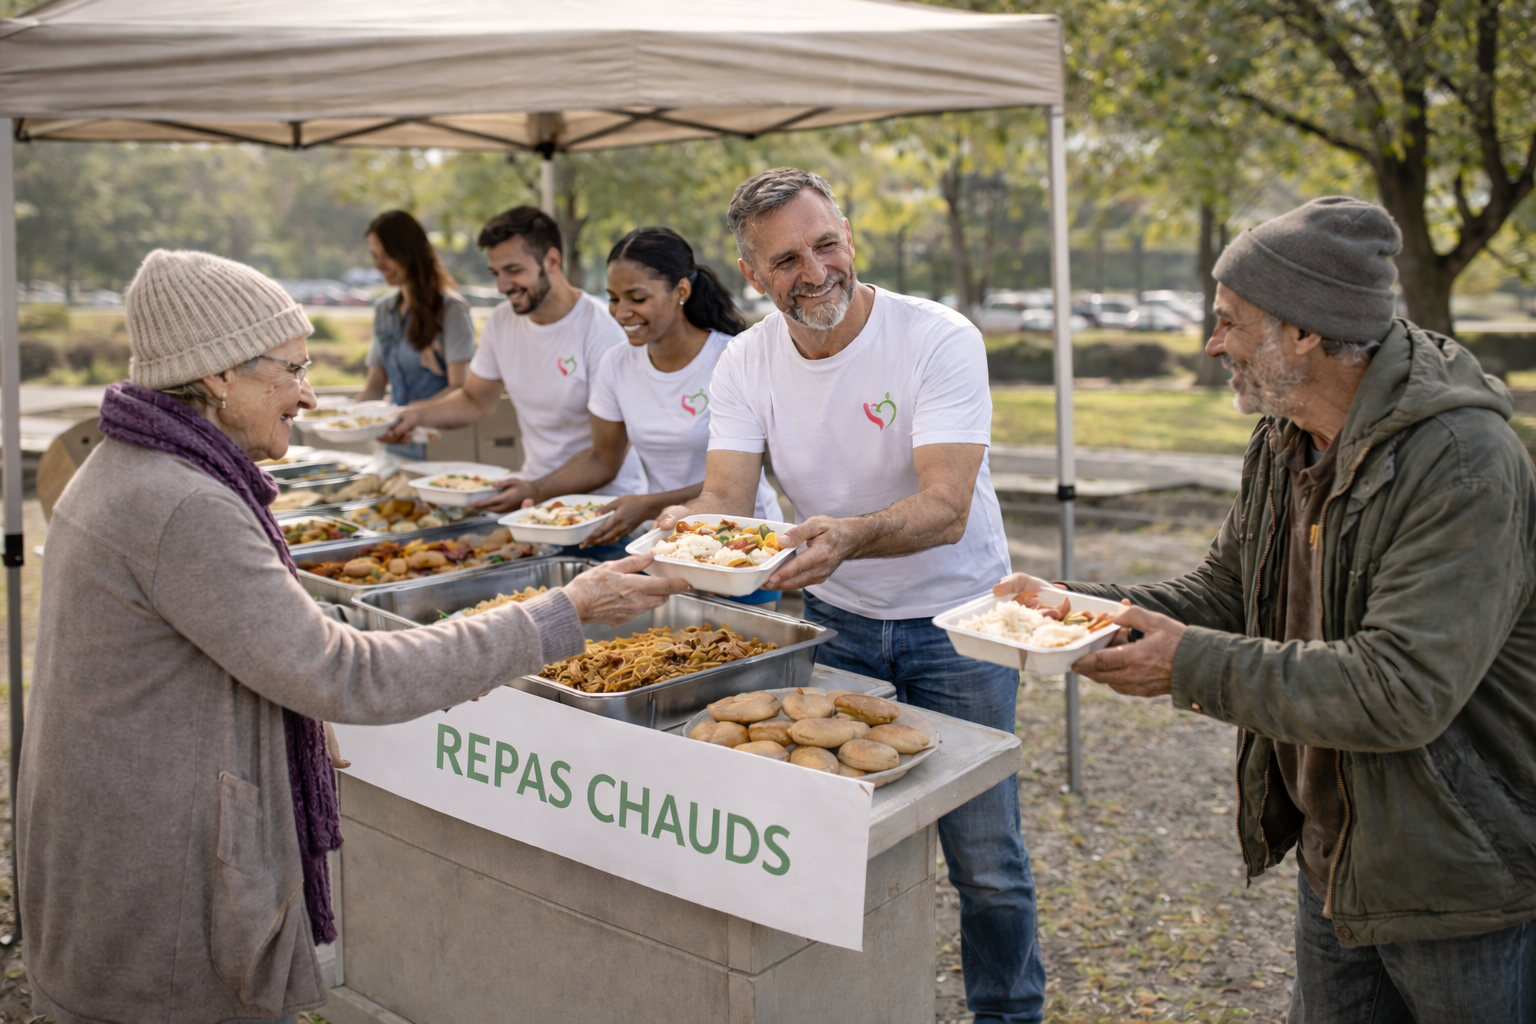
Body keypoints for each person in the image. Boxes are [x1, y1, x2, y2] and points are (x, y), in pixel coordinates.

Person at [15, 250, 687, 1024]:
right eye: (293, 369)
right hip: (155, 905)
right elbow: (343, 671)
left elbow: (279, 646)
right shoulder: (181, 504)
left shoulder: (136, 464)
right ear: (217, 376)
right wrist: (560, 613)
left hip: (124, 868)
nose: (308, 394)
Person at [999, 197, 1536, 1022]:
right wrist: (1074, 607)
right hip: (1338, 862)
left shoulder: (1464, 463)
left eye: (1229, 322)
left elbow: (1402, 689)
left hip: (1459, 878)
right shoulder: (1287, 435)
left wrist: (1187, 664)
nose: (1213, 343)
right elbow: (1226, 594)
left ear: (1305, 331)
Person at [657, 168, 1044, 1022]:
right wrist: (677, 536)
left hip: (957, 625)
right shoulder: (746, 362)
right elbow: (725, 499)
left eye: (826, 244)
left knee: (986, 860)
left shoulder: (936, 337)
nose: (816, 270)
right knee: (835, 848)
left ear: (851, 238)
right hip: (836, 626)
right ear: (754, 276)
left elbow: (945, 509)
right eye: (787, 259)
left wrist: (845, 536)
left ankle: (1010, 1015)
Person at [507, 226, 784, 599]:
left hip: (742, 546)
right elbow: (602, 459)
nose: (621, 312)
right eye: (613, 298)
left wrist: (644, 506)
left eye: (637, 297)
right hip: (669, 545)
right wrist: (534, 489)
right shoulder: (615, 365)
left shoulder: (731, 358)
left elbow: (738, 483)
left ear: (681, 291)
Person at [381, 206, 645, 511]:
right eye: (496, 273)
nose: (502, 286)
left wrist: (535, 489)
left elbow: (606, 458)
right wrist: (413, 415)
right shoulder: (501, 322)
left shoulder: (602, 330)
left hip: (603, 512)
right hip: (535, 504)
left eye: (514, 270)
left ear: (553, 261)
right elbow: (474, 400)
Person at [354, 209, 478, 458]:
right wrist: (343, 418)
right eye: (375, 256)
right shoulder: (384, 310)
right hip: (392, 445)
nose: (378, 265)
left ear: (409, 251)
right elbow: (375, 387)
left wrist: (411, 414)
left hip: (439, 448)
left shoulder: (451, 310)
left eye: (386, 255)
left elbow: (460, 388)